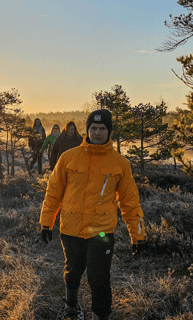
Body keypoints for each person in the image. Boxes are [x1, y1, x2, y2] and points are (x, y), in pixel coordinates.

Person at [39, 109, 145, 320]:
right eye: (93, 128)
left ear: (109, 131)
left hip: (102, 232)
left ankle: (101, 316)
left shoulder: (120, 164)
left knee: (99, 279)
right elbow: (53, 193)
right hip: (71, 229)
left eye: (102, 128)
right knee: (72, 271)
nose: (97, 132)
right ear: (87, 130)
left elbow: (130, 202)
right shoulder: (68, 158)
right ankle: (71, 307)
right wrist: (46, 222)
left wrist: (138, 235)